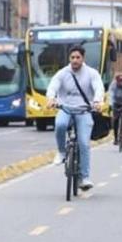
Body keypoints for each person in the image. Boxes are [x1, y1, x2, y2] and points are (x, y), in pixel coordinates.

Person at [45, 45, 105, 190]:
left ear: (83, 59)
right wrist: (51, 98)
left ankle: (85, 178)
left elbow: (98, 87)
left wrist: (97, 101)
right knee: (60, 125)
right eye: (72, 58)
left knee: (84, 143)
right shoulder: (62, 73)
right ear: (69, 59)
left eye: (78, 57)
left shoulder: (91, 73)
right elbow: (53, 86)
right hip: (65, 109)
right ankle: (61, 152)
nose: (75, 60)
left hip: (84, 111)